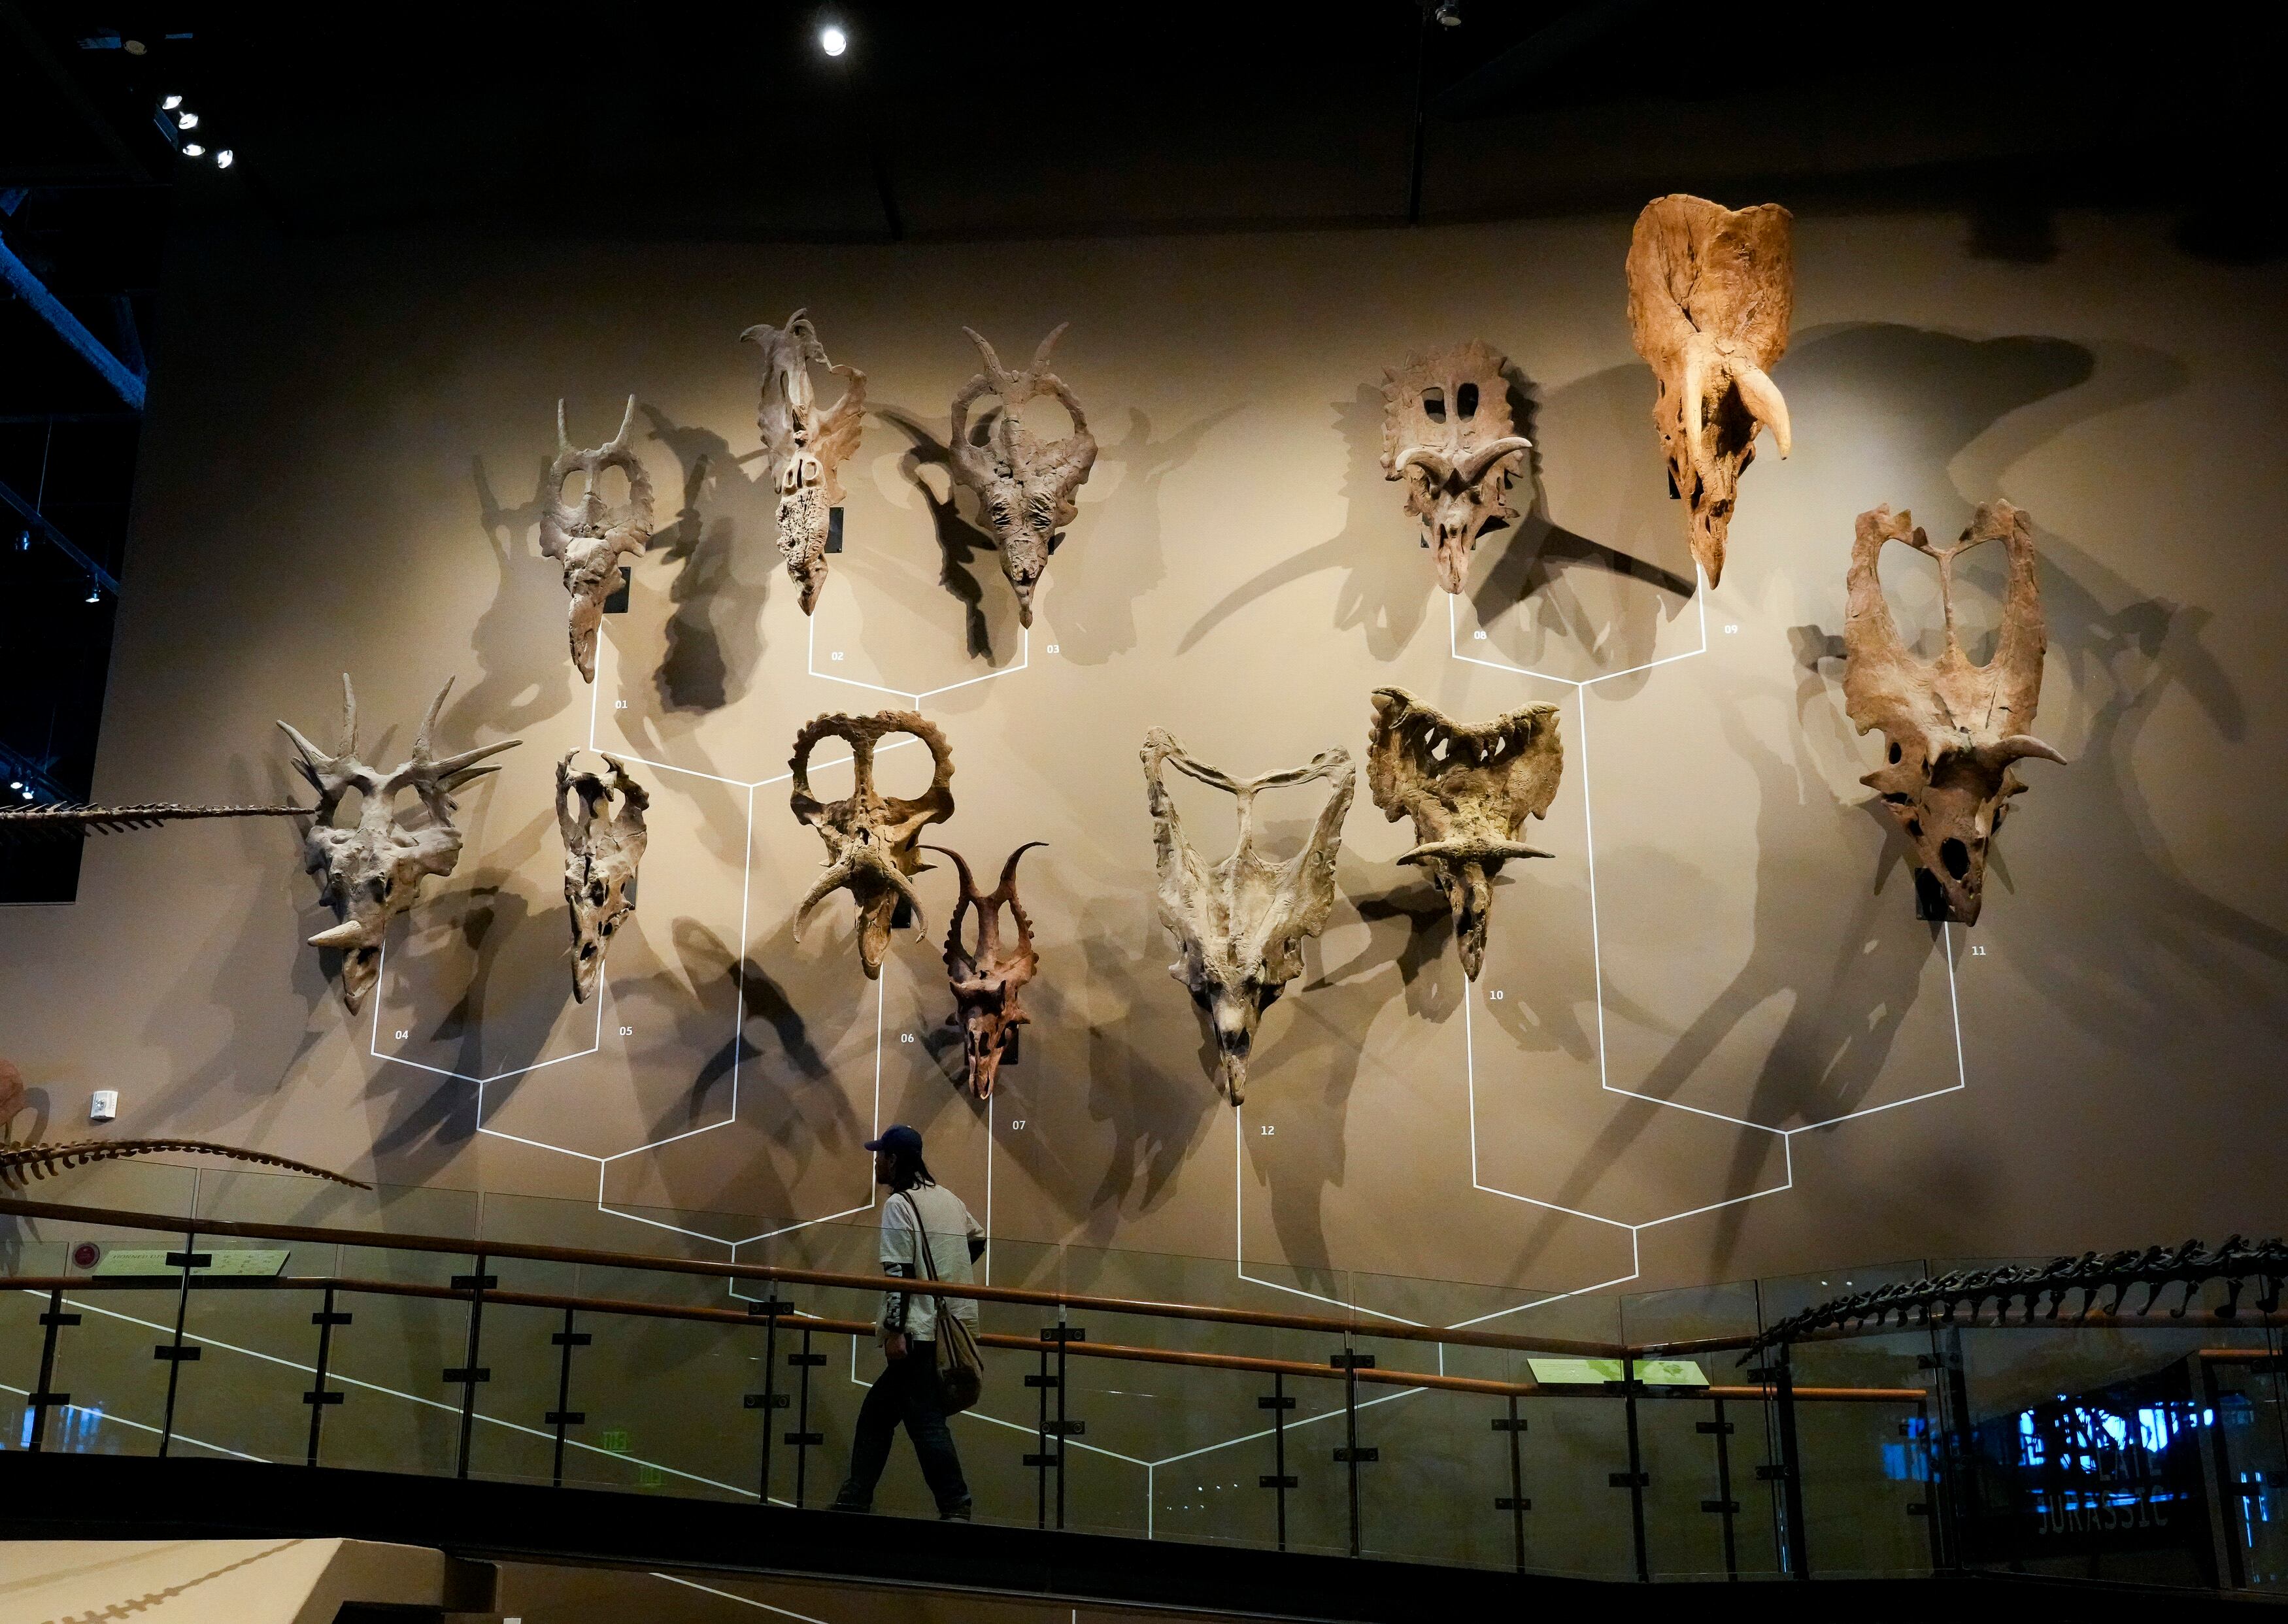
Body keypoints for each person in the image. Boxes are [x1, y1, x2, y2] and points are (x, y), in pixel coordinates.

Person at [830, 1123, 986, 1520]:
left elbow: (897, 1272)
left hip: (917, 1331)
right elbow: (978, 1238)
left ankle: (956, 1505)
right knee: (882, 1417)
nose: (877, 1163)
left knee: (923, 1422)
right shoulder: (948, 1199)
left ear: (894, 1160)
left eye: (880, 1156)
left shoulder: (900, 1205)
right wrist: (947, 1282)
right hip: (949, 1325)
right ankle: (856, 1497)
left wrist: (896, 1330)